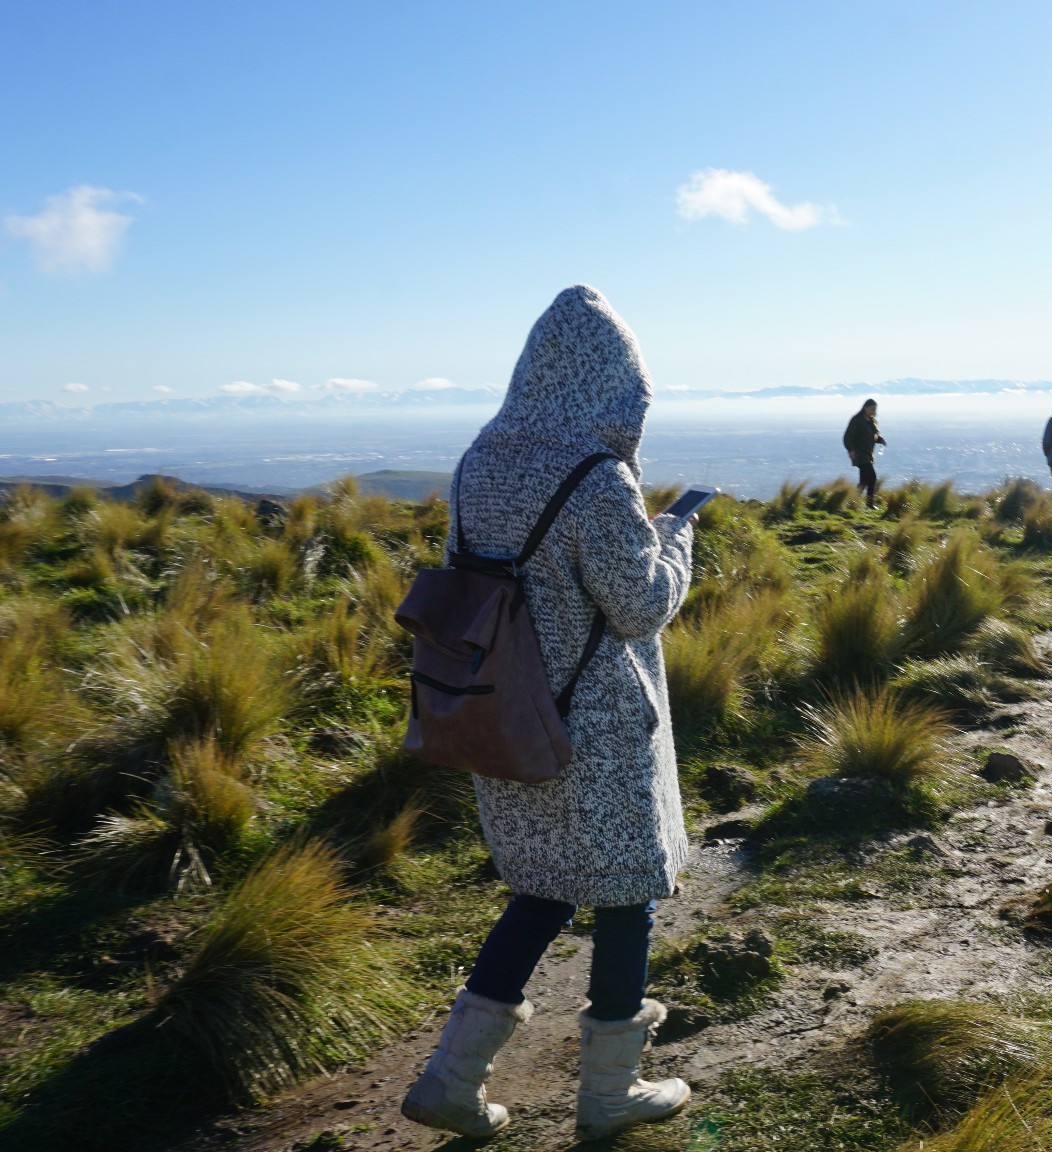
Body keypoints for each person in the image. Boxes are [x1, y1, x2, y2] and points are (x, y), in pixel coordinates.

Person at [401, 286, 695, 1142]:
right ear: (617, 384)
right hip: (597, 724)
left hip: (506, 712)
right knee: (624, 896)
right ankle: (611, 1095)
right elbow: (639, 607)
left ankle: (453, 1079)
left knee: (541, 888)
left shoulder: (477, 462)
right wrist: (676, 535)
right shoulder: (597, 477)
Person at [842, 399, 886, 506]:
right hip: (859, 454)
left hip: (869, 454)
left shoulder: (872, 422)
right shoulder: (856, 420)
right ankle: (869, 504)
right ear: (865, 408)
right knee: (872, 477)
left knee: (864, 480)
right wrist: (851, 450)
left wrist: (880, 440)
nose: (873, 412)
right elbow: (847, 437)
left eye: (875, 410)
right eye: (872, 409)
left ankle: (852, 504)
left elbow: (872, 436)